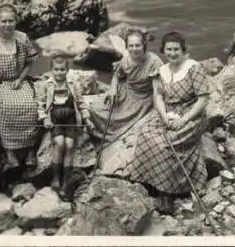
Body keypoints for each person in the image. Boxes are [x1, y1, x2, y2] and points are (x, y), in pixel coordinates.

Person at [126, 31, 210, 214]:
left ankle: (167, 193)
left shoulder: (193, 68)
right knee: (147, 133)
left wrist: (184, 120)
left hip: (191, 115)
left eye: (176, 49)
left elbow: (203, 100)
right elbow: (158, 97)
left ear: (183, 50)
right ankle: (149, 182)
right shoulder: (162, 70)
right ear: (163, 50)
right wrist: (164, 116)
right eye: (168, 49)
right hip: (167, 113)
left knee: (167, 142)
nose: (172, 53)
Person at [0, 3, 40, 180]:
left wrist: (20, 79)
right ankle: (10, 151)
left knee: (31, 105)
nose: (7, 25)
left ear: (16, 21)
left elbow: (29, 62)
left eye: (11, 21)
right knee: (7, 107)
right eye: (4, 21)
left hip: (18, 81)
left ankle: (29, 150)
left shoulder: (23, 38)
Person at [36, 54, 95, 199]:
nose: (59, 72)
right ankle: (56, 177)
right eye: (56, 70)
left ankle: (65, 181)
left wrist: (87, 118)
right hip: (55, 121)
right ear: (51, 70)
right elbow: (40, 105)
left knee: (69, 145)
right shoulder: (47, 84)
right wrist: (44, 120)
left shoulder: (72, 84)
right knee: (59, 142)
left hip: (70, 121)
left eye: (62, 70)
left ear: (67, 70)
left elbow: (81, 103)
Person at [89, 31, 164, 142]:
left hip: (144, 98)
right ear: (127, 47)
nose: (134, 49)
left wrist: (158, 111)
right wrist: (112, 89)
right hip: (126, 92)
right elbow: (116, 76)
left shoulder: (154, 62)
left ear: (144, 45)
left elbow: (157, 91)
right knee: (95, 109)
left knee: (126, 120)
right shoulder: (126, 60)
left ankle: (115, 136)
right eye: (131, 46)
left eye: (137, 45)